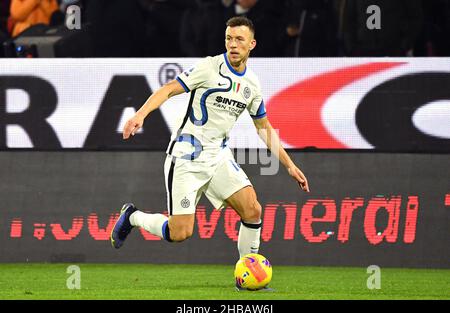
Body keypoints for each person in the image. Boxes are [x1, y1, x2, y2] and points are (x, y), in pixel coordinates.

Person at [110, 17, 310, 281]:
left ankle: (247, 277)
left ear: (252, 44)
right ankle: (133, 217)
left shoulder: (251, 84)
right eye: (229, 38)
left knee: (252, 210)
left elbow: (263, 127)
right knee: (180, 232)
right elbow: (170, 89)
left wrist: (289, 165)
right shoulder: (209, 67)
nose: (233, 44)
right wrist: (141, 115)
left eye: (239, 39)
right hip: (186, 157)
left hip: (218, 156)